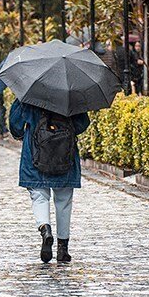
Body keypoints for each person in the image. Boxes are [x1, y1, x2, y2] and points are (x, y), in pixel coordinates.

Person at [9, 100, 90, 263]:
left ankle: (45, 228)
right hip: (64, 154)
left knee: (39, 196)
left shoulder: (27, 96)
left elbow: (16, 126)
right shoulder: (70, 94)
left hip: (34, 154)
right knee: (64, 201)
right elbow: (82, 124)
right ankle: (62, 248)